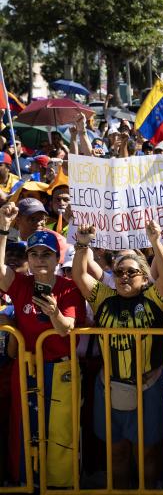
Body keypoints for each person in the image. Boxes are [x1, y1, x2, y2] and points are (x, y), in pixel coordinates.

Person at [71, 221, 163, 489]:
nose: (124, 277)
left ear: (143, 275)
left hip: (149, 386)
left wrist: (155, 241)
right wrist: (82, 244)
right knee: (116, 452)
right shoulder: (104, 298)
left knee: (148, 454)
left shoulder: (153, 298)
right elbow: (80, 275)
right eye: (118, 272)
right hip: (110, 386)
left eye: (131, 272)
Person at [0, 202, 85, 488]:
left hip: (59, 372)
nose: (39, 260)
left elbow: (65, 330)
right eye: (34, 254)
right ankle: (26, 482)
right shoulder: (22, 283)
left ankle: (59, 486)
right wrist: (3, 228)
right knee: (24, 427)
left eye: (46, 254)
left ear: (57, 258)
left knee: (60, 430)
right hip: (25, 370)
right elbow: (0, 271)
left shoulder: (68, 288)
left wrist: (53, 312)